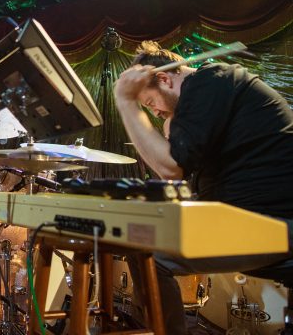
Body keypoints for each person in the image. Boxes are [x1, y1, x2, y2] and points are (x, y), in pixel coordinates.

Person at [113, 41, 293, 334]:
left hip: (275, 225)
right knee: (143, 243)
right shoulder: (210, 94)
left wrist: (126, 102)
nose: (155, 112)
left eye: (150, 103)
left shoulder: (209, 80)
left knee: (148, 253)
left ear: (164, 78)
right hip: (256, 220)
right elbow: (177, 174)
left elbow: (170, 169)